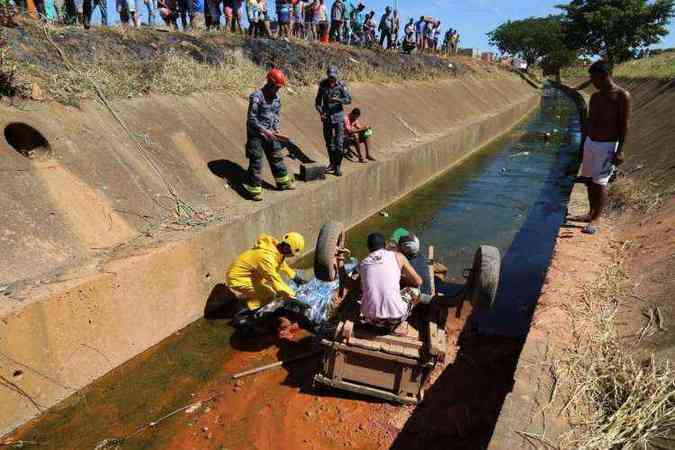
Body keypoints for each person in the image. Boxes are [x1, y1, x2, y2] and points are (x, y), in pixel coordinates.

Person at [570, 60, 631, 235]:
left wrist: (619, 151)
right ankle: (590, 213)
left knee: (601, 182)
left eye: (593, 77)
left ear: (604, 76)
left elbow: (624, 125)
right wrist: (583, 145)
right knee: (589, 180)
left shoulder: (621, 96)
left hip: (607, 145)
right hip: (591, 143)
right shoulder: (596, 97)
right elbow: (589, 121)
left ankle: (596, 219)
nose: (592, 81)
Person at [243, 69, 295, 201]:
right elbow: (251, 119)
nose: (278, 90)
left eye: (279, 87)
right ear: (270, 83)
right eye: (276, 87)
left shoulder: (277, 98)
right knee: (256, 162)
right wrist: (264, 131)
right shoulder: (256, 96)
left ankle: (283, 182)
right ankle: (254, 190)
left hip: (271, 134)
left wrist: (276, 128)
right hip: (256, 135)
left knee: (277, 156)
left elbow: (276, 115)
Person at [225, 232, 306, 311]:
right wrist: (293, 296)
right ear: (287, 249)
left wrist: (295, 277)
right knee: (269, 294)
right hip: (237, 278)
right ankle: (245, 310)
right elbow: (275, 279)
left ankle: (250, 301)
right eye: (292, 253)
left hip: (247, 274)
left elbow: (282, 265)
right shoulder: (267, 258)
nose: (291, 256)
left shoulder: (276, 248)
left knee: (267, 288)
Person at [357, 233, 423, 330]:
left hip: (371, 320)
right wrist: (399, 277)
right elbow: (418, 281)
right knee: (415, 291)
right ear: (385, 245)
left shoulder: (362, 264)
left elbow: (361, 288)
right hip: (395, 319)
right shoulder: (398, 256)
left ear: (369, 248)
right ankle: (406, 314)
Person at [315, 65, 352, 177]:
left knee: (339, 144)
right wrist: (321, 113)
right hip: (327, 119)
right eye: (330, 77)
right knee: (329, 143)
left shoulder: (341, 85)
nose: (332, 79)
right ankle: (332, 163)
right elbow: (317, 102)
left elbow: (349, 100)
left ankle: (337, 167)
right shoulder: (322, 85)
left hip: (339, 118)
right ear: (328, 75)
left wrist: (338, 100)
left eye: (334, 77)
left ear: (336, 76)